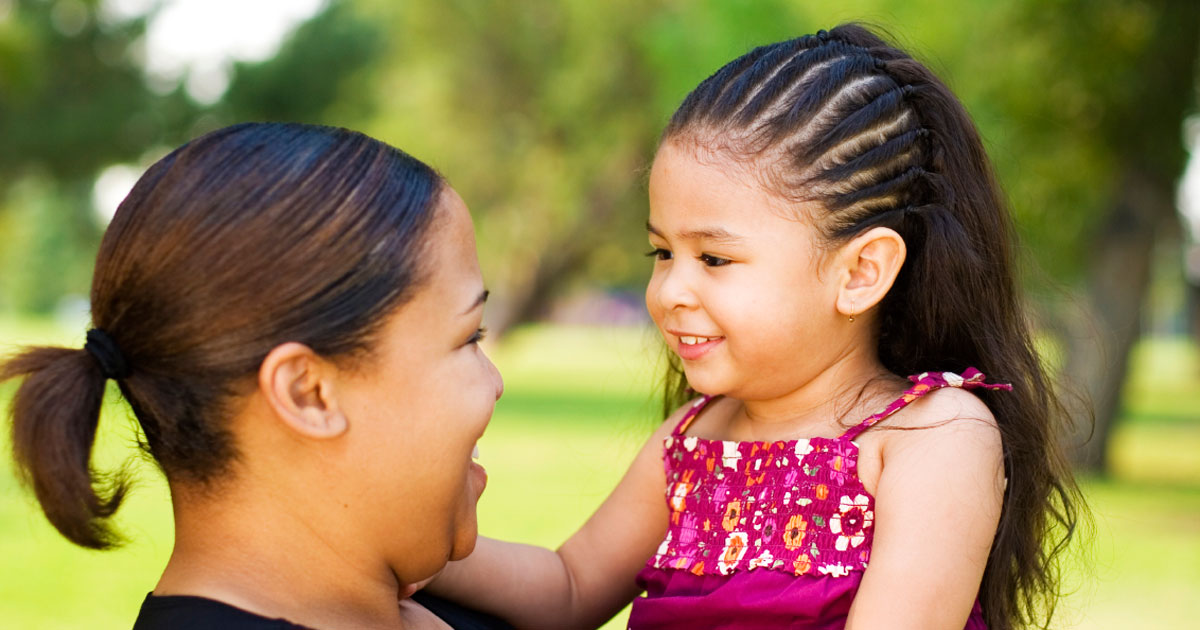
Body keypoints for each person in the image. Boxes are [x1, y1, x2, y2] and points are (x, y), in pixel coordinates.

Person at [424, 23, 1084, 630]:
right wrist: (402, 549)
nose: (671, 291)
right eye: (662, 253)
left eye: (714, 258)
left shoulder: (931, 438)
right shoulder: (692, 439)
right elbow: (569, 588)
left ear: (859, 273)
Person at [2, 122, 511, 629]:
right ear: (309, 393)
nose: (497, 384)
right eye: (469, 337)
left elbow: (574, 585)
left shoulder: (410, 580)